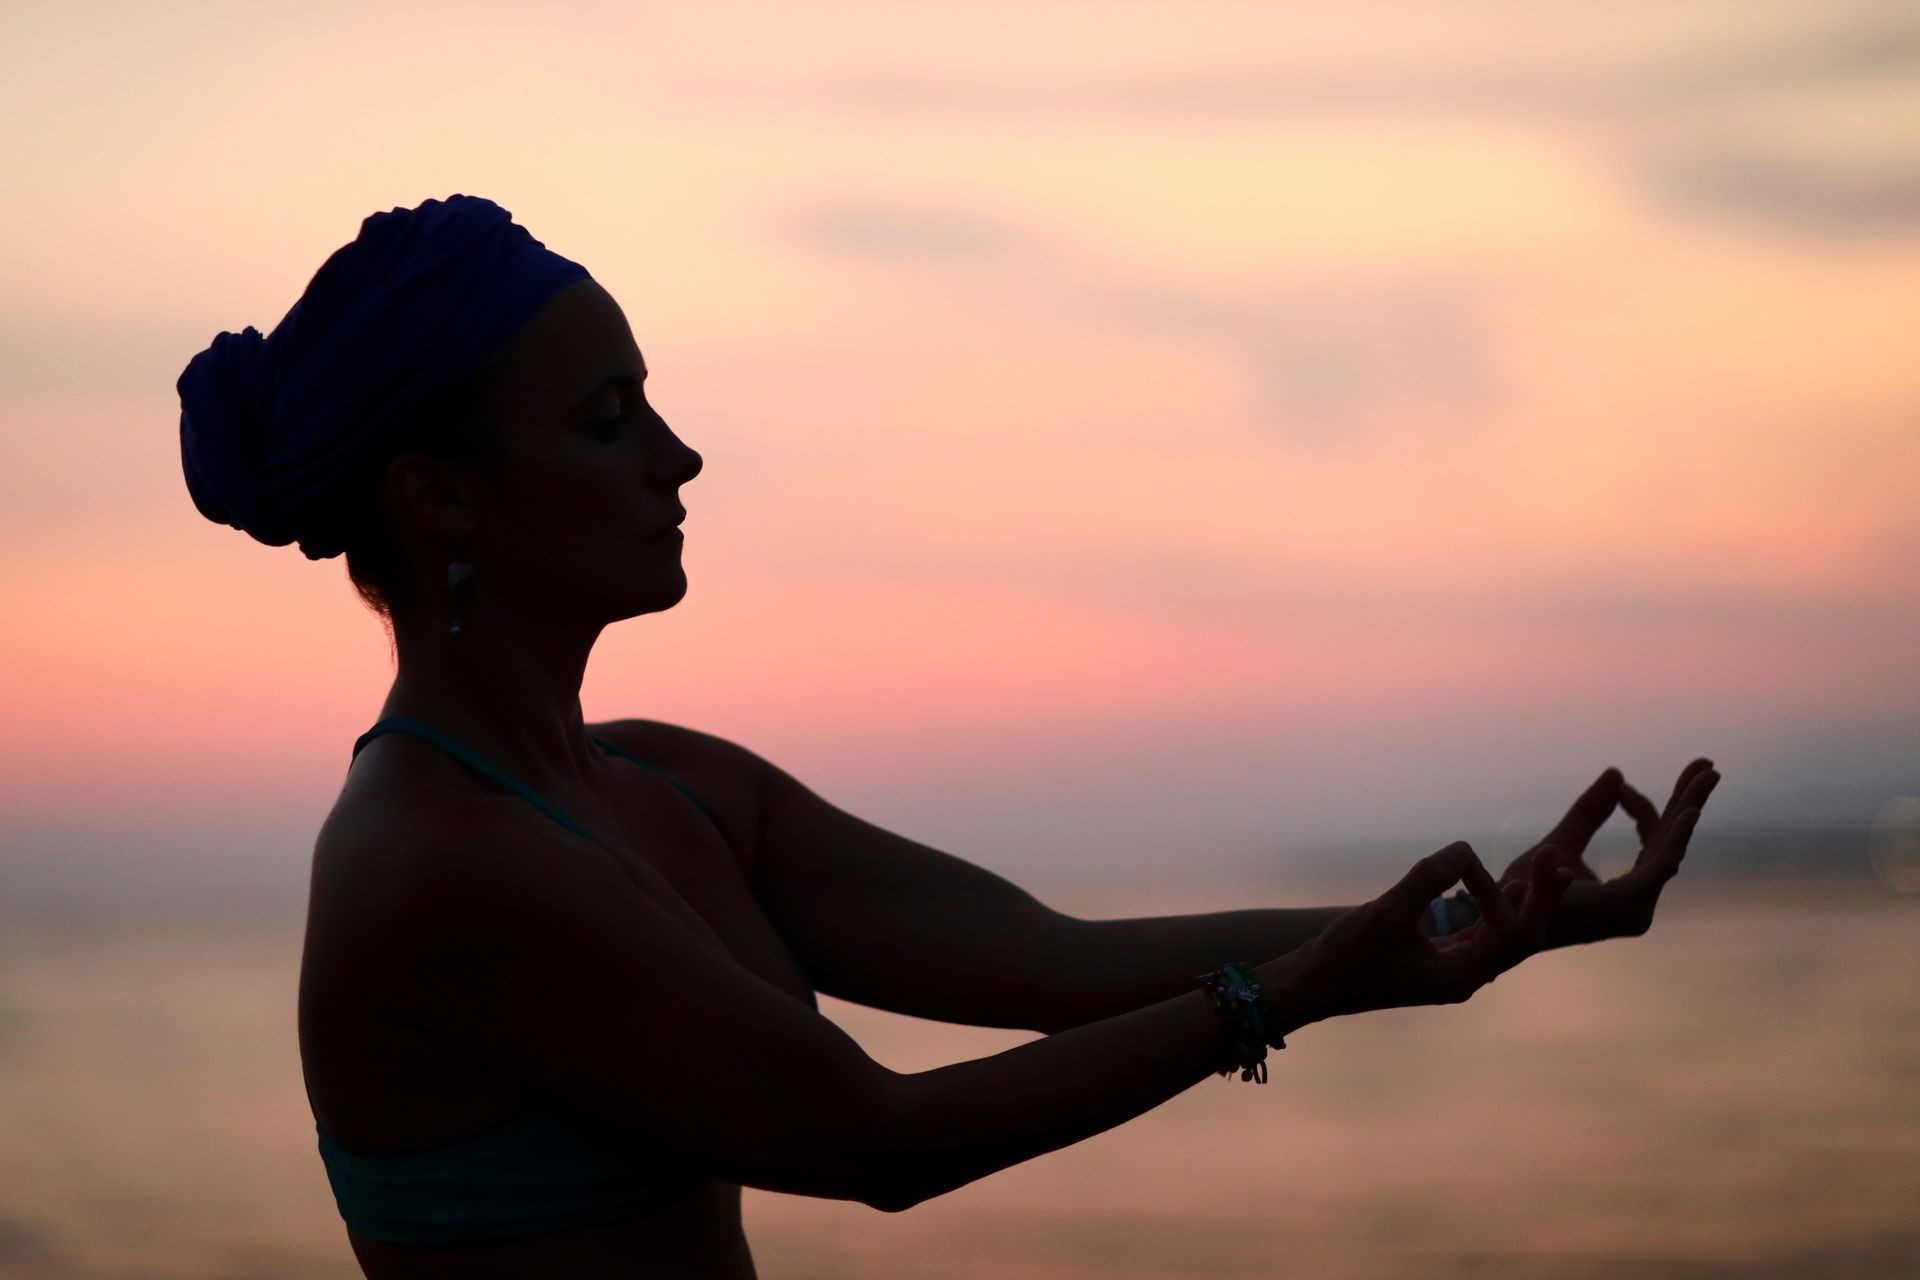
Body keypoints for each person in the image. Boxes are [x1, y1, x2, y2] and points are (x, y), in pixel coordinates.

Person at [177, 194, 1722, 1279]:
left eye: (653, 402)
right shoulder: (436, 867)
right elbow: (880, 1141)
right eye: (605, 421)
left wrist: (1490, 917)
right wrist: (1294, 998)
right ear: (438, 495)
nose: (680, 454)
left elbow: (1045, 962)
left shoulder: (668, 782)